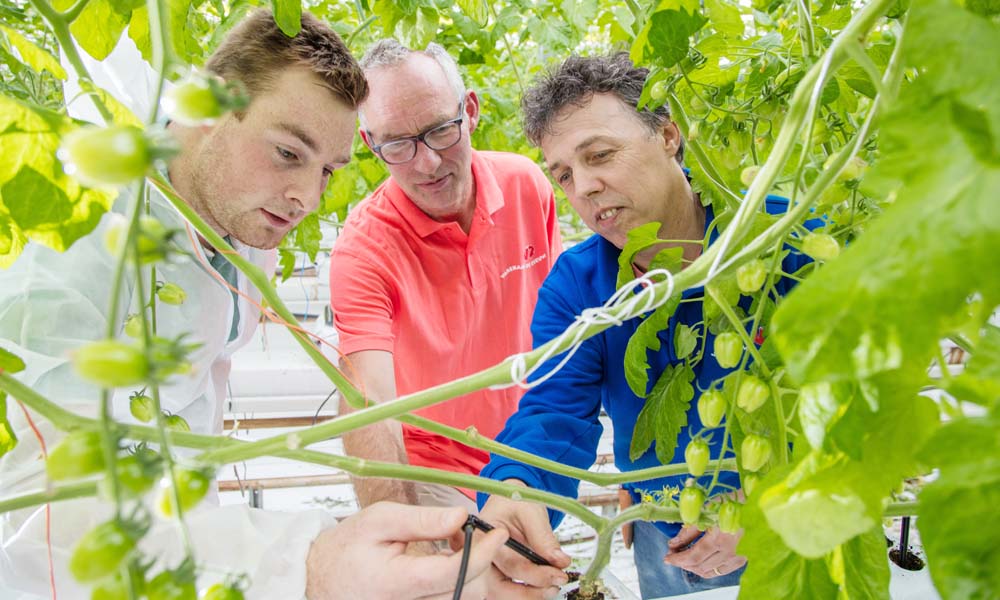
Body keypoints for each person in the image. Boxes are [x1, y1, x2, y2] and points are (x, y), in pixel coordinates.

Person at [0, 10, 506, 599]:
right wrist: (303, 566)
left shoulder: (243, 222)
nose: (307, 198)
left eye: (328, 171)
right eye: (289, 153)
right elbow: (40, 522)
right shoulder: (74, 240)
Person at [476, 54, 817, 599]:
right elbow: (554, 410)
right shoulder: (577, 287)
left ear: (667, 135)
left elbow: (855, 395)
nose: (583, 186)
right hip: (670, 536)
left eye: (600, 155)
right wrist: (518, 487)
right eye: (563, 174)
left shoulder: (786, 240)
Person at [328, 40, 562, 520]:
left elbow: (561, 327)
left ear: (470, 110)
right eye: (397, 144)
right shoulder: (363, 249)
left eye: (440, 130)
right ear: (371, 145)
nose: (427, 163)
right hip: (434, 470)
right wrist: (398, 528)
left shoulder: (527, 186)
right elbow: (368, 402)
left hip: (529, 450)